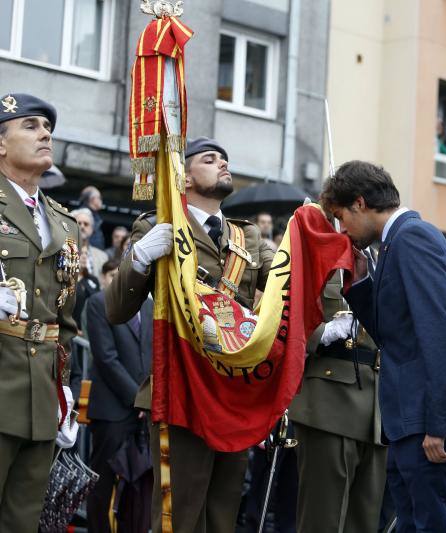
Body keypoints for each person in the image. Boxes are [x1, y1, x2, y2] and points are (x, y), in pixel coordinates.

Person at [105, 137, 275, 533]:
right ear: (184, 175)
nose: (223, 164)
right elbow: (116, 309)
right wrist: (141, 257)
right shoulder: (158, 224)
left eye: (226, 159)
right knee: (179, 515)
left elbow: (283, 280)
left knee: (222, 515)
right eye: (209, 159)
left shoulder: (246, 237)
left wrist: (314, 237)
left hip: (232, 390)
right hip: (180, 387)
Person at [320, 160, 446, 532]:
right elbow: (398, 336)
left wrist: (438, 424)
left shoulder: (412, 238)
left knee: (433, 524)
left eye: (341, 216)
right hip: (410, 418)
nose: (341, 228)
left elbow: (439, 334)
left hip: (428, 420)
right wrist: (361, 283)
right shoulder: (395, 243)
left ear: (360, 203)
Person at [0, 93, 80, 529]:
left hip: (40, 396)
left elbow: (63, 319)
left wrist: (64, 391)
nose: (45, 133)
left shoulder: (63, 224)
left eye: (47, 128)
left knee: (23, 521)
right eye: (29, 126)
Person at [288, 273, 387, 533]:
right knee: (322, 521)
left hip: (377, 410)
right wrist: (320, 334)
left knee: (364, 520)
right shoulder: (318, 250)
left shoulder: (379, 256)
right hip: (329, 404)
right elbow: (283, 307)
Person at [85, 283, 153, 533]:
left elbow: (153, 354)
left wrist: (148, 399)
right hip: (111, 412)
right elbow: (106, 358)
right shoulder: (98, 303)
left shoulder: (149, 305)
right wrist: (138, 398)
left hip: (144, 413)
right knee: (102, 484)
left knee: (139, 485)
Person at [72, 207, 109, 277]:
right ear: (72, 226)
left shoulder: (103, 257)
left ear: (92, 229)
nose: (82, 226)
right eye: (79, 223)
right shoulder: (63, 252)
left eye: (86, 224)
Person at [79, 185, 105, 249]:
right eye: (100, 197)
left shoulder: (93, 214)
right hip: (86, 253)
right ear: (92, 199)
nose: (101, 200)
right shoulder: (82, 215)